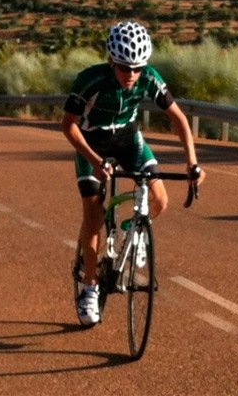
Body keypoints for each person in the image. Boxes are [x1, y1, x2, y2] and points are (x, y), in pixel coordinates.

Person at [62, 21, 205, 327]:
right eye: (125, 68)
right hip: (92, 143)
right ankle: (90, 287)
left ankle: (133, 229)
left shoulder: (148, 78)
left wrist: (192, 164)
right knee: (93, 215)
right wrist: (95, 159)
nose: (131, 76)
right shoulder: (91, 80)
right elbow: (68, 125)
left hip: (128, 140)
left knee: (160, 199)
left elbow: (179, 119)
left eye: (138, 68)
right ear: (111, 60)